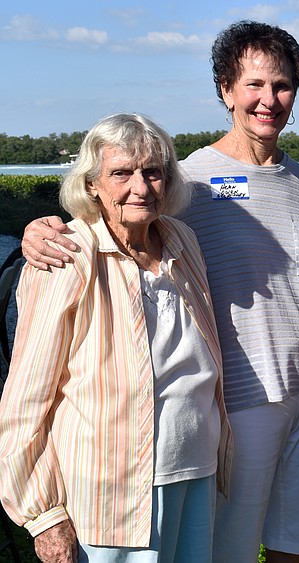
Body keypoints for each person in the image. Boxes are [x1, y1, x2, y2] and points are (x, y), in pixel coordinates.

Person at [20, 21, 299, 563]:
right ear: (226, 90)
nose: (269, 100)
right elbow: (118, 214)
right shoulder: (189, 182)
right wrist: (41, 229)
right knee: (229, 550)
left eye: (282, 86)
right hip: (240, 400)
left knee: (294, 546)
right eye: (254, 85)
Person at [0, 113, 232, 562]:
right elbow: (26, 398)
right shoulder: (67, 255)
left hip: (195, 472)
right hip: (110, 493)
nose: (140, 187)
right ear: (92, 184)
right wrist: (42, 514)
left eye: (153, 172)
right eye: (121, 173)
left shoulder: (183, 241)